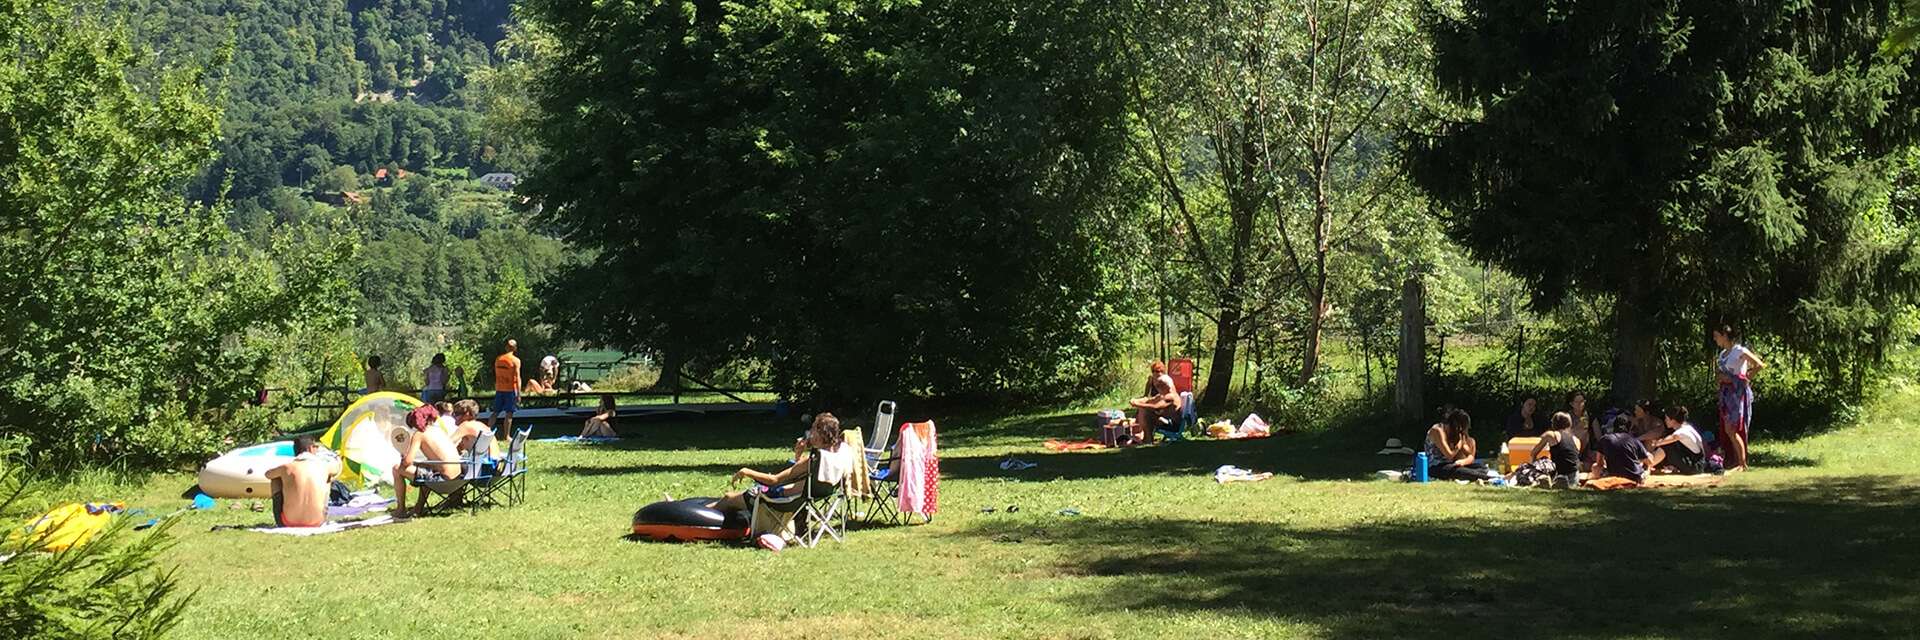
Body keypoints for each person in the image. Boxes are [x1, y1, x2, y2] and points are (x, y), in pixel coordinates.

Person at [705, 413, 856, 515]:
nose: (810, 432)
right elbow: (810, 474)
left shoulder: (814, 458)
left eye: (813, 428)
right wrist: (798, 456)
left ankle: (699, 519)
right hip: (810, 497)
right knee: (733, 499)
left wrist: (746, 471)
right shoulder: (841, 452)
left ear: (821, 434)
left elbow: (774, 481)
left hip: (783, 500)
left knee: (729, 498)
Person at [393, 405, 463, 518]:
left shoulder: (419, 434)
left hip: (443, 481)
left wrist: (404, 456)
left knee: (396, 468)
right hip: (458, 479)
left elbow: (407, 462)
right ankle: (418, 507)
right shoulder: (439, 431)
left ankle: (401, 509)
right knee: (425, 470)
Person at [1714, 325, 1765, 472]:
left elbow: (1758, 364)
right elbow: (1718, 374)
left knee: (1733, 427)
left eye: (1716, 335)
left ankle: (1742, 463)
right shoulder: (1722, 354)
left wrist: (1746, 377)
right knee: (1728, 428)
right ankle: (1734, 459)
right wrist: (1722, 377)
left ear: (1724, 336)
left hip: (1737, 393)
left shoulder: (1739, 351)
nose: (1715, 339)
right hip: (1726, 393)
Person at [262, 435, 340, 528]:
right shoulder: (324, 466)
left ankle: (284, 510)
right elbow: (336, 470)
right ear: (311, 448)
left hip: (287, 522)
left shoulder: (287, 467)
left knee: (275, 479)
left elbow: (268, 474)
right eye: (316, 447)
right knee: (328, 478)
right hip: (317, 521)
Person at [1423, 409, 1499, 481]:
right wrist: (1458, 446)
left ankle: (1479, 475)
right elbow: (1449, 455)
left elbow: (1470, 456)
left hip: (1451, 465)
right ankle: (1488, 478)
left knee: (1482, 467)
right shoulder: (1438, 431)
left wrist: (1463, 462)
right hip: (1435, 466)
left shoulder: (1456, 434)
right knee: (1459, 471)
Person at [1519, 411, 1582, 488]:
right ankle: (1565, 484)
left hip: (1558, 473)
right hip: (1574, 476)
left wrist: (1534, 470)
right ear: (1569, 424)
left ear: (1554, 423)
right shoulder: (1576, 440)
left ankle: (1551, 482)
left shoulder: (1551, 435)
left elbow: (1534, 453)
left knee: (1544, 463)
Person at [1127, 361, 1183, 444]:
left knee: (1147, 411)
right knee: (1146, 409)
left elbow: (1155, 406)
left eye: (1158, 387)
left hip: (1173, 425)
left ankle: (1147, 438)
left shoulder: (1170, 396)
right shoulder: (1163, 395)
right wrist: (1139, 400)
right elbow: (1150, 400)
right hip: (1167, 421)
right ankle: (1142, 435)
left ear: (1164, 387)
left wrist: (1137, 404)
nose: (1157, 389)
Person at [1592, 415, 1654, 483]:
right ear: (1629, 428)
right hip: (1634, 477)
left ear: (1614, 426)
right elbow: (1650, 461)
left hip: (1614, 475)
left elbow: (1599, 462)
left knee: (1595, 467)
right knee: (1648, 460)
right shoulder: (1634, 441)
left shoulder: (1605, 439)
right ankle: (1647, 473)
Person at [1647, 405, 1708, 474]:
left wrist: (1656, 443)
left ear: (1672, 420)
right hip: (1698, 464)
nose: (1665, 421)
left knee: (1667, 445)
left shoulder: (1682, 431)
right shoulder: (1688, 427)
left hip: (1695, 466)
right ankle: (1649, 464)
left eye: (1666, 419)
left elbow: (1672, 438)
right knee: (1672, 445)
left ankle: (1648, 465)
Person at [489, 340, 521, 434]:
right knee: (509, 414)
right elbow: (518, 377)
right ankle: (506, 435)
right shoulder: (515, 360)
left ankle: (487, 431)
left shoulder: (498, 359)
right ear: (515, 348)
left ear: (506, 347)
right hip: (510, 389)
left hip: (499, 389)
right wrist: (518, 394)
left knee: (495, 412)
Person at [1564, 390, 1600, 458]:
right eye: (1578, 402)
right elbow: (1564, 435)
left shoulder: (1590, 416)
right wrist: (1577, 427)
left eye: (1582, 401)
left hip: (1588, 447)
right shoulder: (1567, 417)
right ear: (1571, 404)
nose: (1581, 404)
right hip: (1571, 445)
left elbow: (1598, 436)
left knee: (1584, 432)